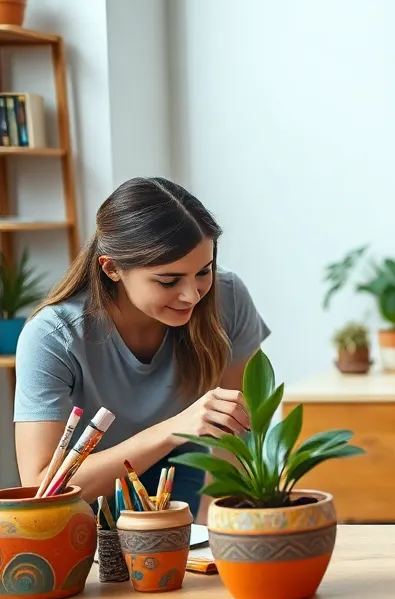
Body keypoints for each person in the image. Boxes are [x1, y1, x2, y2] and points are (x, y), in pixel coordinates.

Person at [13, 177, 271, 519]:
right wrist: (173, 428)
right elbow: (43, 486)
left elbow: (232, 434)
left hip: (187, 471)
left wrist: (214, 530)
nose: (192, 294)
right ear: (112, 268)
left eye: (203, 272)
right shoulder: (51, 336)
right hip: (89, 493)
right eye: (168, 280)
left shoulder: (229, 298)